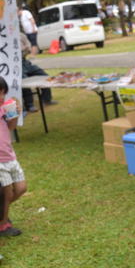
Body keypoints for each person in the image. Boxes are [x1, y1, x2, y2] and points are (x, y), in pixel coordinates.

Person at [0, 77, 27, 236]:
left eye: (3, 92)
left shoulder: (3, 108)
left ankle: (2, 214)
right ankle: (3, 225)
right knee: (7, 192)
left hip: (10, 156)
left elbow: (11, 127)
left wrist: (14, 114)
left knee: (21, 188)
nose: (2, 96)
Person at [20, 33, 57, 112]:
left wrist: (23, 50)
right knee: (24, 80)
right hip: (15, 65)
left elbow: (29, 48)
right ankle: (29, 105)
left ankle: (46, 99)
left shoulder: (20, 35)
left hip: (25, 62)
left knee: (44, 75)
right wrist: (23, 49)